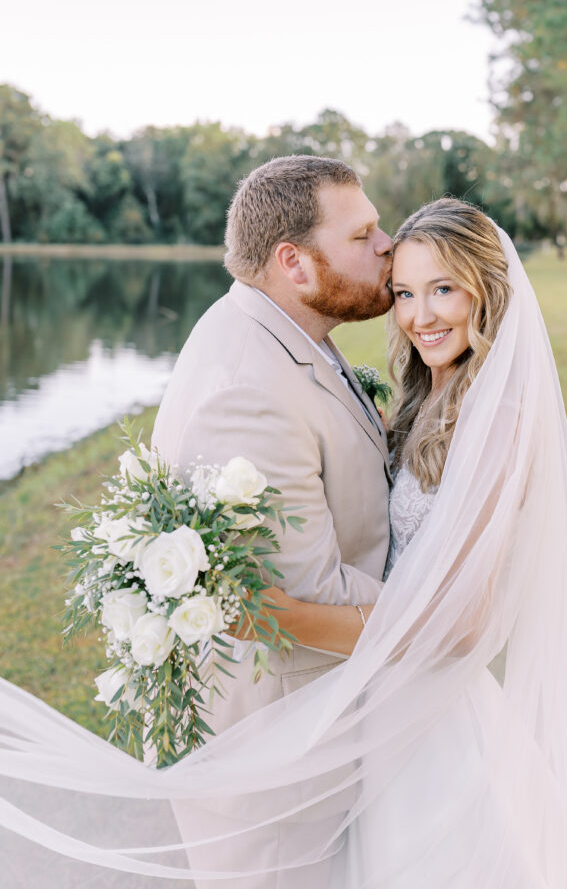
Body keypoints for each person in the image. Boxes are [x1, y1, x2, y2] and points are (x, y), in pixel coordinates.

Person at [1, 193, 567, 889]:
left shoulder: (496, 415)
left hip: (432, 723)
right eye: (407, 291)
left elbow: (462, 620)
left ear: (487, 290)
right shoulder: (425, 396)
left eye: (444, 290)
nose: (420, 316)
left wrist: (280, 616)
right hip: (386, 715)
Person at [151, 154, 394, 886]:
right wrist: (452, 604)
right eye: (364, 235)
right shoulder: (248, 388)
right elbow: (306, 601)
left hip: (318, 738)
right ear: (294, 262)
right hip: (281, 771)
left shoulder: (285, 336)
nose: (388, 245)